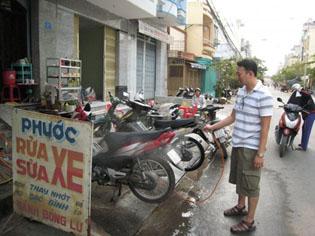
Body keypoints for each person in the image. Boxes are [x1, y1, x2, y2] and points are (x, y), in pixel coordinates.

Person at [203, 59, 273, 234]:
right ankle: (241, 206)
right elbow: (232, 117)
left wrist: (260, 154)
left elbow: (265, 128)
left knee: (251, 183)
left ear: (250, 73)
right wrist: (213, 126)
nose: (237, 76)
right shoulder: (242, 92)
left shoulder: (264, 95)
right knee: (240, 178)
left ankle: (249, 221)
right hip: (238, 143)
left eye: (239, 73)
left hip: (251, 148)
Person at [287, 83, 315, 151]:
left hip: (311, 113)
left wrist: (300, 91)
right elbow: (291, 101)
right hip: (306, 114)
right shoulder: (297, 95)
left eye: (296, 90)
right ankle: (303, 144)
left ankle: (303, 146)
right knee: (303, 128)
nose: (295, 91)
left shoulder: (305, 93)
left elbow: (308, 95)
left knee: (306, 129)